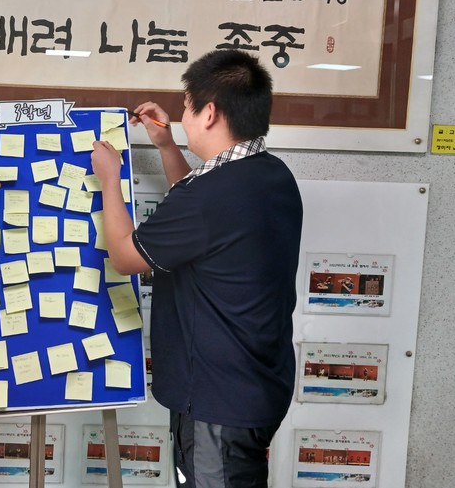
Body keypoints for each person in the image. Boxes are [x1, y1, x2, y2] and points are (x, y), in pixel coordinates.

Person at [91, 49, 303, 488]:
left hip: (217, 401)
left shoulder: (209, 197)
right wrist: (166, 145)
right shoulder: (271, 175)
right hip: (256, 384)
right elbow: (199, 213)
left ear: (209, 113)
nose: (182, 116)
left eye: (186, 106)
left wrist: (110, 180)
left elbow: (126, 257)